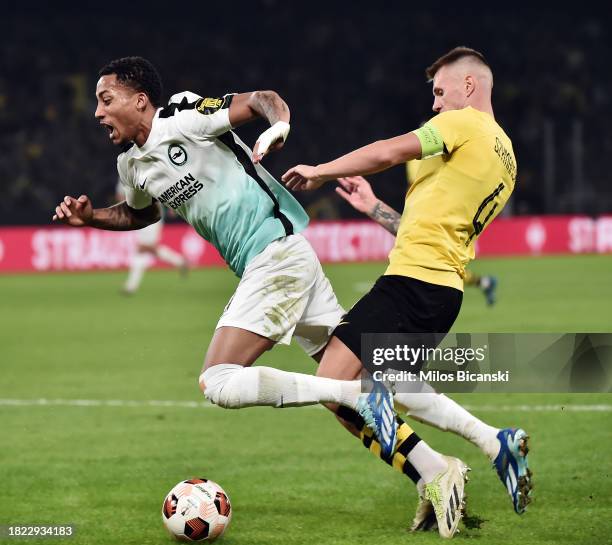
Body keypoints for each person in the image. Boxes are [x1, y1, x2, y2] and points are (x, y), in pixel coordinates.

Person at [51, 56, 465, 538]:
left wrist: (279, 125)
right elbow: (140, 216)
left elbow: (261, 100)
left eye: (106, 100)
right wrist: (91, 217)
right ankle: (436, 471)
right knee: (348, 393)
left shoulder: (184, 115)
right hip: (278, 264)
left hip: (276, 255)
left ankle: (363, 400)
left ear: (139, 99)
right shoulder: (131, 163)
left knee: (218, 380)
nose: (98, 112)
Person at [282, 46, 532, 527]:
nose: (436, 105)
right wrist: (374, 207)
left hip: (412, 286)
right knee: (379, 391)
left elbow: (389, 150)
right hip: (441, 293)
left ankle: (436, 474)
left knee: (333, 387)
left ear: (468, 87)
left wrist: (322, 169)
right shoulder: (507, 159)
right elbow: (430, 230)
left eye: (440, 92)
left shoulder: (469, 124)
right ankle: (486, 444)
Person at [336, 173, 499, 305]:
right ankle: (483, 282)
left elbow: (386, 154)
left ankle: (483, 282)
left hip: (430, 290)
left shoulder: (438, 161)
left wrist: (320, 171)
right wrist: (373, 206)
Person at [115, 181, 189, 295]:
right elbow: (120, 195)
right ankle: (180, 262)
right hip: (138, 216)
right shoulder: (125, 172)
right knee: (147, 250)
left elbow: (164, 188)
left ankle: (131, 286)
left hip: (152, 215)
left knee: (143, 248)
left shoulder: (147, 170)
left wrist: (173, 206)